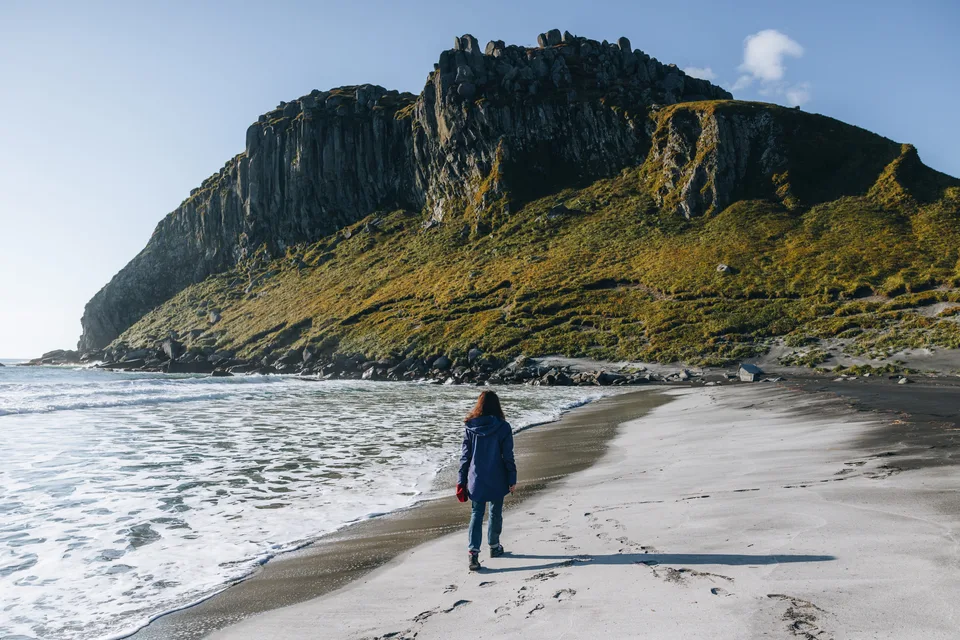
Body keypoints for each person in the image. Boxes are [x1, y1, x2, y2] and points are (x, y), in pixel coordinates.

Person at [458, 390, 517, 571]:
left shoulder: (471, 427)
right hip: (498, 476)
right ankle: (494, 546)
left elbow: (465, 457)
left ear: (479, 405)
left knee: (476, 513)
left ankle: (473, 554)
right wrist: (512, 478)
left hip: (476, 478)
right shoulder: (503, 427)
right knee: (495, 512)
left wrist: (461, 480)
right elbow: (508, 456)